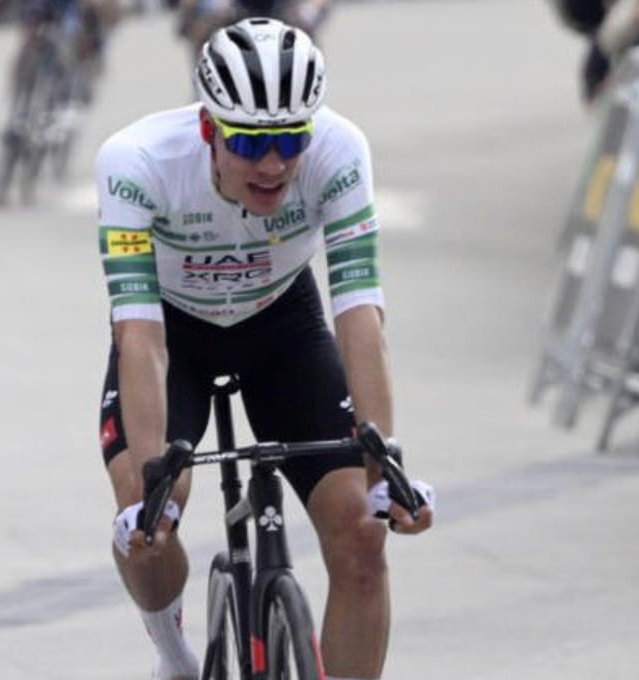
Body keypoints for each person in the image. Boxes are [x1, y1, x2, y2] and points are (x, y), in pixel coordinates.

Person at [94, 18, 434, 680]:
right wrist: (152, 487)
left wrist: (384, 469)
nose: (273, 163)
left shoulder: (340, 151)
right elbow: (140, 336)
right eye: (251, 142)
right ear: (209, 129)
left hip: (283, 325)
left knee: (363, 536)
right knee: (148, 512)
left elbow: (360, 316)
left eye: (289, 139)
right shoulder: (136, 163)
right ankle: (175, 657)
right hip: (173, 332)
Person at [176, 0, 332, 67]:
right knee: (208, 31)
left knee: (302, 38)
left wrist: (309, 10)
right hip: (229, 12)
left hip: (281, 10)